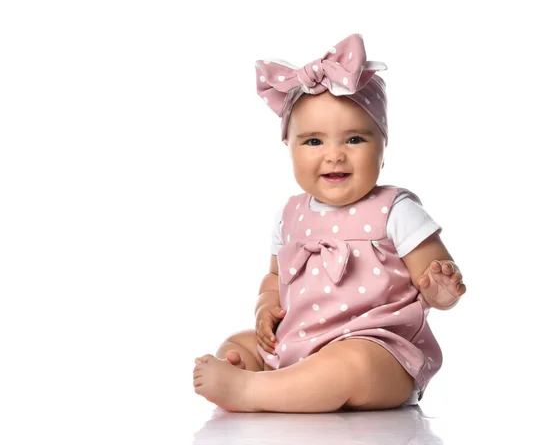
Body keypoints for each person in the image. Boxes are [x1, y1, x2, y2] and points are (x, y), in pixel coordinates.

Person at [193, 34, 466, 413]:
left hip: (380, 351)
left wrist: (442, 289)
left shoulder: (395, 209)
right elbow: (275, 277)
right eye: (313, 142)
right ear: (288, 146)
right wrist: (264, 306)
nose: (334, 155)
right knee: (236, 345)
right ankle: (272, 381)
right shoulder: (290, 216)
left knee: (350, 364)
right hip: (299, 344)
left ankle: (252, 393)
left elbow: (436, 278)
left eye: (354, 139)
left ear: (382, 148)